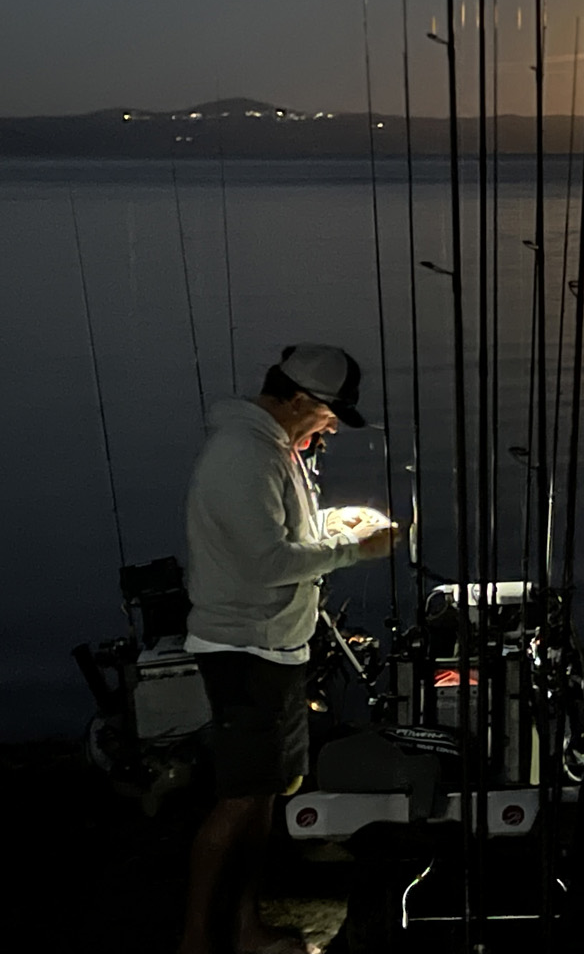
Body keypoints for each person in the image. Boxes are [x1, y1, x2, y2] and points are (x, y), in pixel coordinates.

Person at [177, 345, 398, 954]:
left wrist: (335, 523)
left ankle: (247, 927)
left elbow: (281, 533)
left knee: (267, 792)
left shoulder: (274, 448)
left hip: (276, 646)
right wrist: (357, 550)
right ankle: (195, 939)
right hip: (243, 648)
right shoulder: (243, 454)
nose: (332, 427)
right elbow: (267, 563)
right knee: (238, 798)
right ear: (298, 399)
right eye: (328, 414)